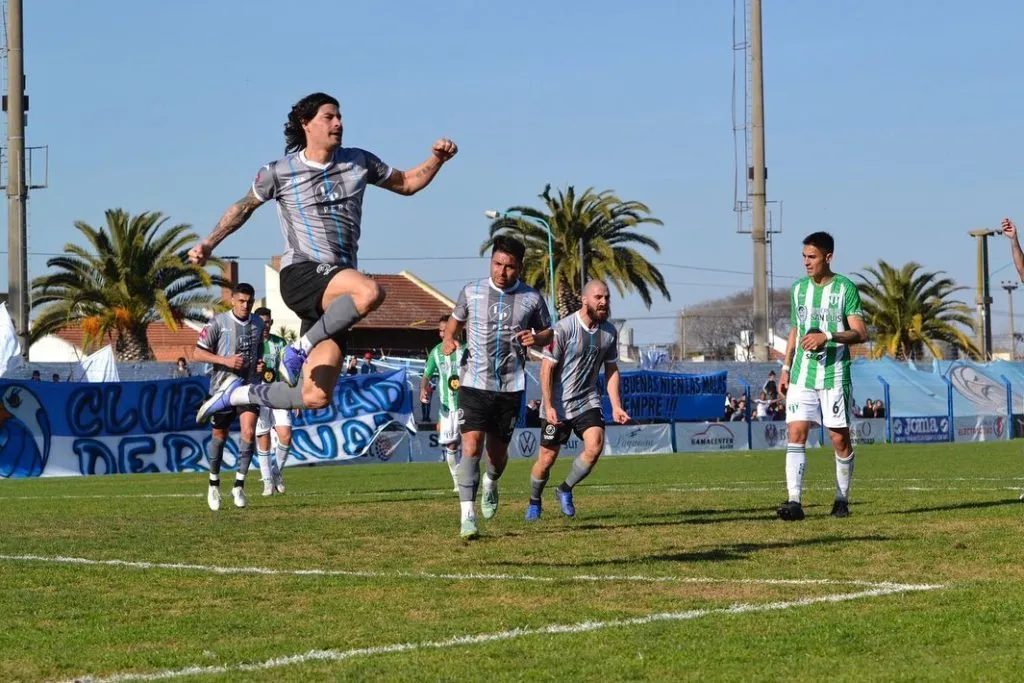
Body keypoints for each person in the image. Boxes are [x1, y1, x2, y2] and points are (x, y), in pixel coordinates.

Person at [189, 91, 457, 422]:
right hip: (301, 275)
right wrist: (209, 243)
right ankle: (298, 349)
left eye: (339, 116)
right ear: (306, 124)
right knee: (370, 291)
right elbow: (243, 208)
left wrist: (437, 160)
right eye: (329, 117)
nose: (338, 123)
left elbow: (406, 183)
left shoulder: (358, 161)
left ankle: (237, 393)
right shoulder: (279, 171)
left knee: (315, 396)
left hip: (335, 295)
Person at [442, 235, 553, 539]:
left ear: (520, 268)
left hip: (510, 386)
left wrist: (537, 338)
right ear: (490, 261)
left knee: (497, 456)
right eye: (497, 264)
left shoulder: (531, 298)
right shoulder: (471, 291)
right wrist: (449, 339)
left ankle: (491, 483)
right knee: (471, 447)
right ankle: (467, 516)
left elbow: (548, 331)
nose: (502, 272)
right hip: (473, 383)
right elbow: (453, 324)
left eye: (509, 267)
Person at [778, 232, 868, 521]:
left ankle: (841, 499)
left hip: (834, 374)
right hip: (802, 375)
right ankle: (794, 501)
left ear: (828, 257)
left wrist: (826, 336)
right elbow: (795, 330)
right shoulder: (798, 290)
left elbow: (860, 333)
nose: (806, 262)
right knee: (796, 432)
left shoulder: (845, 288)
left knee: (838, 439)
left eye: (812, 257)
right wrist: (786, 367)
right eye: (804, 256)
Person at [526, 280, 629, 521]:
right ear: (584, 300)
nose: (603, 302)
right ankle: (534, 500)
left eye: (607, 297)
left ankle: (564, 489)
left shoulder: (610, 333)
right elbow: (546, 370)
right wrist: (549, 405)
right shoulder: (563, 329)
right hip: (559, 404)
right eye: (598, 297)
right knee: (546, 460)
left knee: (595, 446)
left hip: (587, 400)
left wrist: (615, 405)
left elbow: (612, 370)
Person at [191, 283, 264, 511]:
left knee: (249, 432)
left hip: (249, 387)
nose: (245, 305)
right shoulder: (217, 323)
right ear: (232, 300)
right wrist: (225, 361)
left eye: (249, 302)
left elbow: (259, 351)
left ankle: (239, 485)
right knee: (219, 436)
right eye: (241, 301)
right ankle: (213, 484)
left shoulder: (258, 324)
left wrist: (260, 366)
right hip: (222, 388)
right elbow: (196, 353)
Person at [420, 314, 461, 492]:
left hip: (467, 405)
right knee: (450, 445)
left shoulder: (466, 350)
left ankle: (470, 478)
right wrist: (423, 388)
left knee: (471, 443)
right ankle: (458, 482)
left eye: (446, 330)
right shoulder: (436, 352)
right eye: (441, 331)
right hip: (447, 406)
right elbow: (427, 375)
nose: (442, 334)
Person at [253, 307, 291, 497]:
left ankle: (276, 473)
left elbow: (288, 370)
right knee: (264, 438)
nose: (265, 326)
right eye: (261, 322)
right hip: (258, 396)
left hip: (278, 393)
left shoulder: (280, 342)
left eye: (267, 322)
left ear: (272, 322)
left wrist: (293, 395)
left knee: (286, 435)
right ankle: (267, 482)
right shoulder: (251, 344)